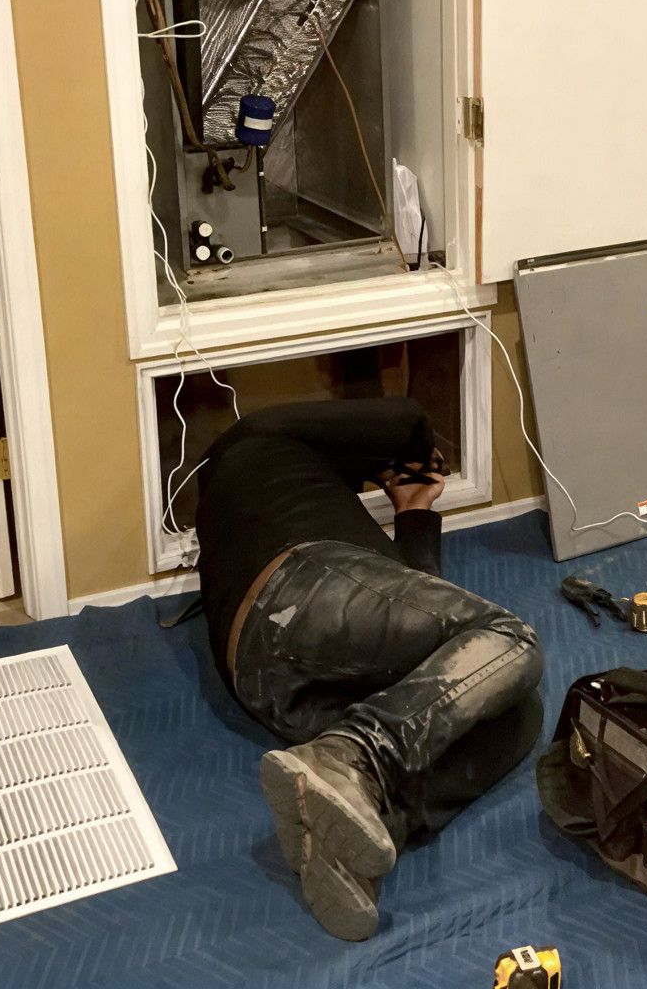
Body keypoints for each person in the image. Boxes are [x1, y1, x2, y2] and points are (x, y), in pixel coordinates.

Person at [191, 398, 545, 941]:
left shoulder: (285, 498)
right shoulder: (261, 436)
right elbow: (406, 421)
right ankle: (351, 754)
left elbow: (423, 619)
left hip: (260, 679)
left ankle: (359, 822)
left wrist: (413, 508)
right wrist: (412, 456)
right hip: (299, 587)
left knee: (514, 712)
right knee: (510, 639)